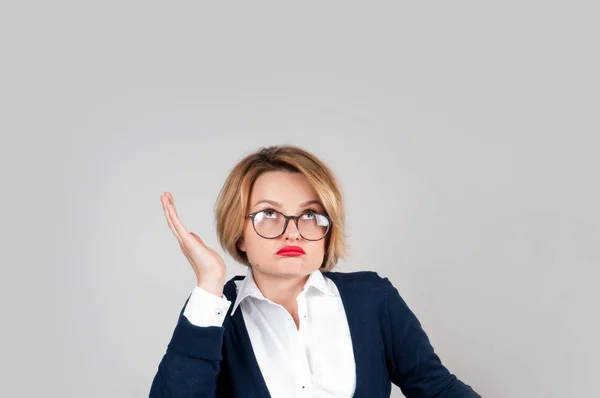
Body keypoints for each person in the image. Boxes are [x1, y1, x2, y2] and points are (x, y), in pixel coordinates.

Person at [149, 145, 481, 398]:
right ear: (239, 233)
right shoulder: (213, 313)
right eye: (269, 214)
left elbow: (437, 388)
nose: (292, 232)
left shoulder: (373, 298)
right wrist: (208, 282)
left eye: (310, 215)